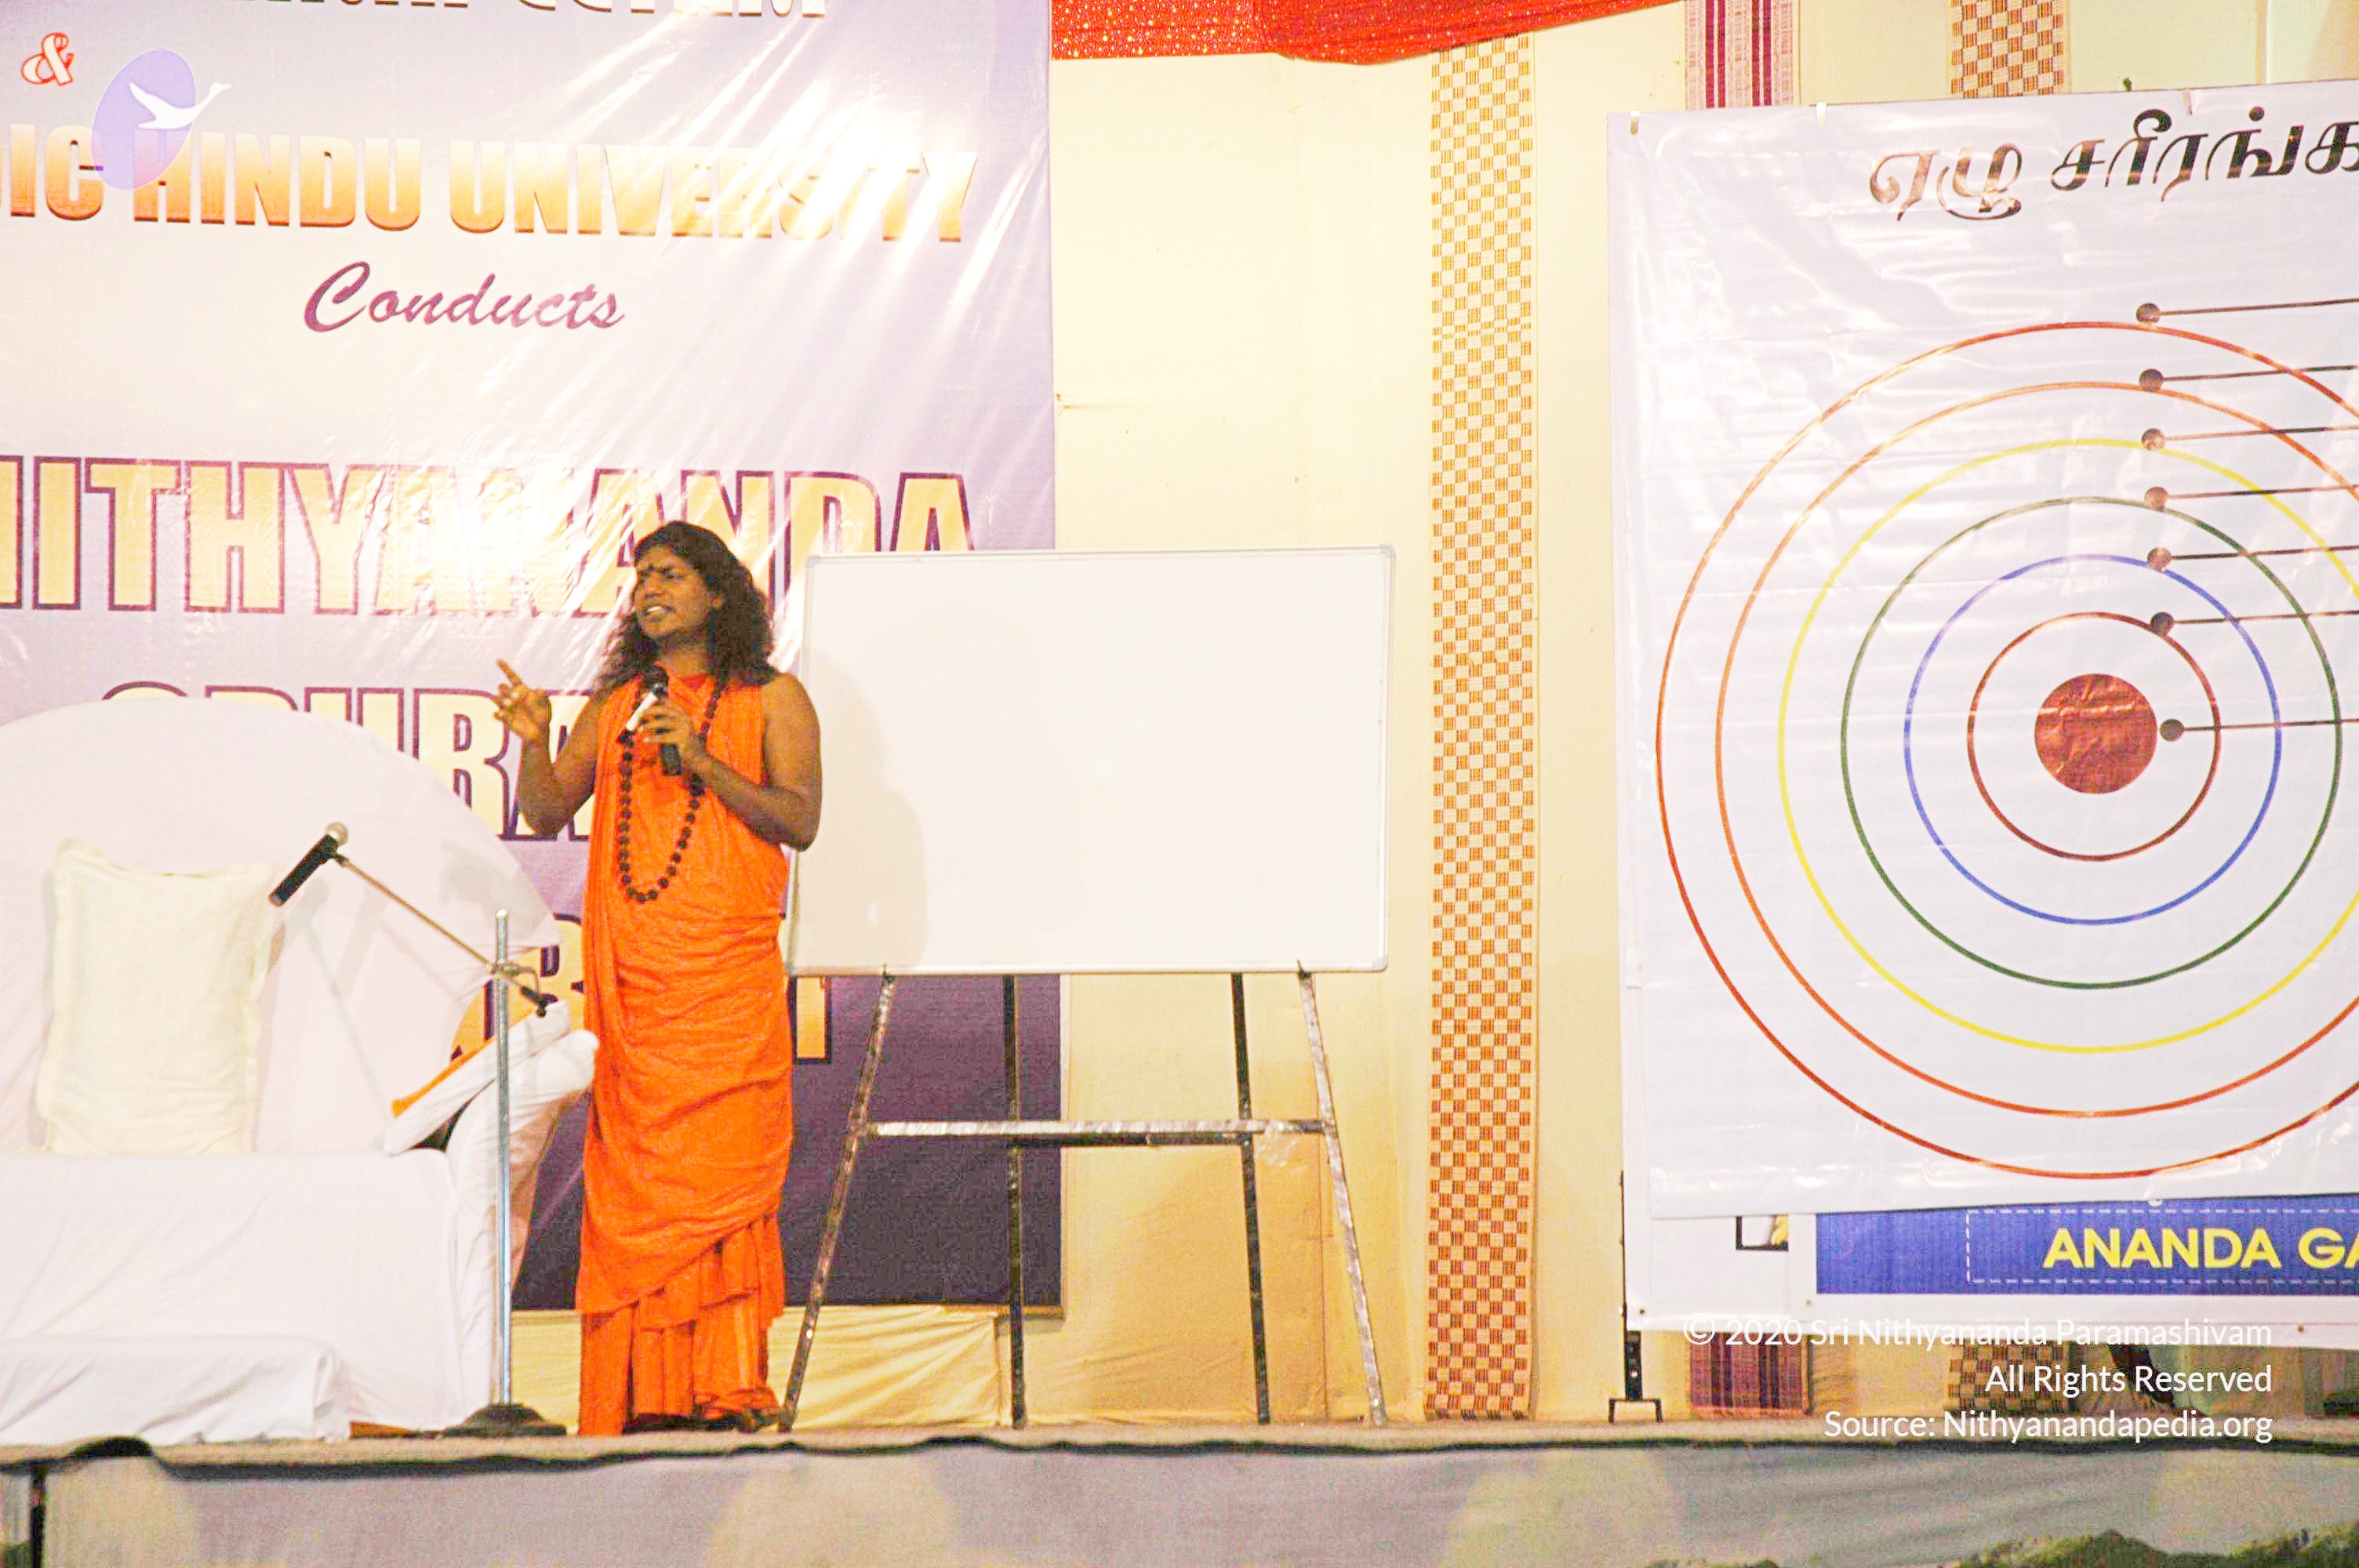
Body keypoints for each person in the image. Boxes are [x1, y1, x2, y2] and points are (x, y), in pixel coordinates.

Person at [493, 521, 821, 1434]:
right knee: (641, 1192)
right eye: (641, 576)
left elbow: (800, 819)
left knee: (721, 1185)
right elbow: (547, 807)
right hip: (639, 995)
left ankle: (724, 1386)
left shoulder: (775, 698)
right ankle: (642, 1394)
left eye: (670, 574)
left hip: (726, 991)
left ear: (718, 592)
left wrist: (703, 760)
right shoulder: (615, 706)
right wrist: (534, 740)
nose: (648, 589)